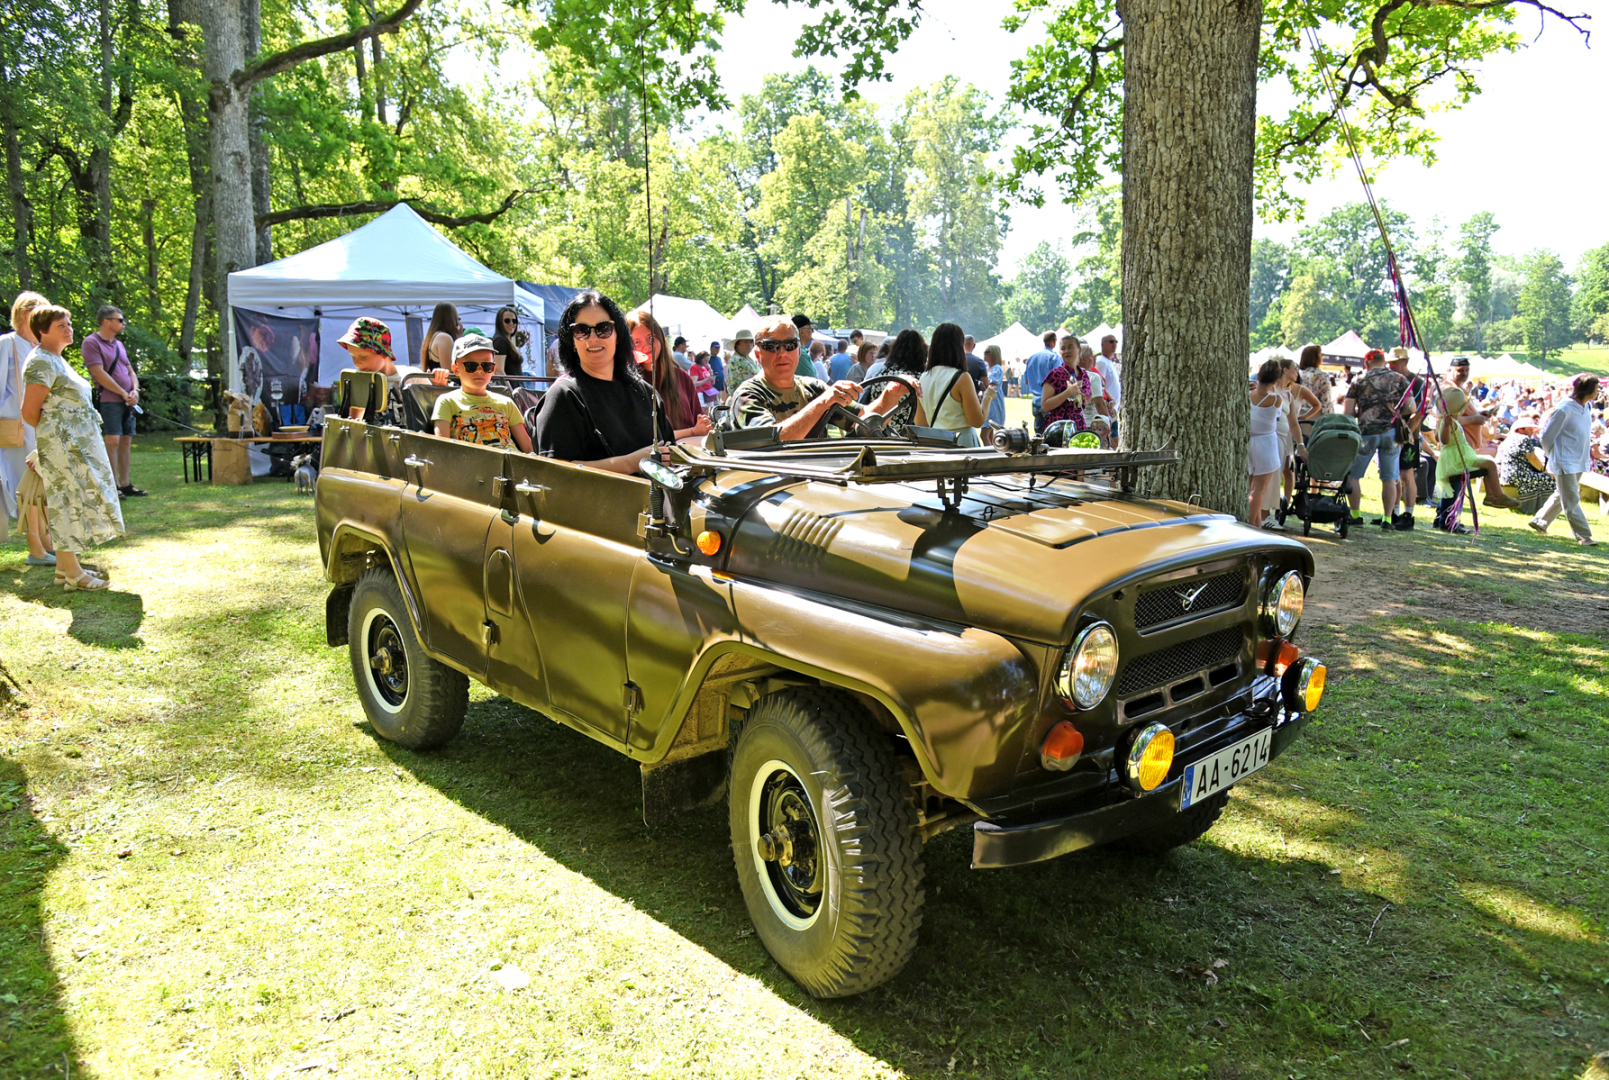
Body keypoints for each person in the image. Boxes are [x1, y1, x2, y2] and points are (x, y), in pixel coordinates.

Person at [19, 305, 123, 590]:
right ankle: (74, 574)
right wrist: (55, 440)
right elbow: (29, 411)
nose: (69, 329)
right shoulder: (41, 361)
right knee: (66, 504)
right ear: (43, 331)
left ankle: (65, 569)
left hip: (77, 445)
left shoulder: (57, 359)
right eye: (61, 326)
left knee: (72, 502)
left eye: (69, 324)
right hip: (62, 446)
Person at [532, 291, 674, 475]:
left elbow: (672, 457)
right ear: (572, 340)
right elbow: (555, 472)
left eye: (603, 328)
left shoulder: (647, 393)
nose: (593, 338)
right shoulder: (563, 396)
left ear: (618, 335)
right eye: (581, 330)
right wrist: (630, 463)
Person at [730, 314, 903, 440]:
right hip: (772, 479)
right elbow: (771, 439)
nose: (782, 353)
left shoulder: (814, 388)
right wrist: (823, 402)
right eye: (771, 346)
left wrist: (891, 396)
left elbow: (864, 420)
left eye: (790, 345)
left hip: (819, 475)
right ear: (758, 354)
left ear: (799, 350)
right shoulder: (747, 395)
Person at [1, 291, 51, 561]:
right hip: (17, 429)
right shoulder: (7, 344)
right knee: (26, 487)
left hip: (40, 427)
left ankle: (47, 542)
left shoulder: (41, 348)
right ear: (21, 315)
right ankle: (36, 549)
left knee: (42, 486)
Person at [1431, 382, 1519, 532]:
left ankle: (1490, 496)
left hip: (1459, 457)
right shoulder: (1447, 422)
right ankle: (1496, 496)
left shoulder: (1452, 421)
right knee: (1487, 466)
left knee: (1455, 490)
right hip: (1455, 460)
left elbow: (1440, 438)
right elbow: (1443, 440)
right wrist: (1445, 426)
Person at [429, 332, 534, 451]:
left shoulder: (506, 403)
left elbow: (528, 448)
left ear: (493, 369)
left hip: (512, 459)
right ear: (456, 369)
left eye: (486, 366)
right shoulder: (447, 402)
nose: (479, 371)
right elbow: (442, 449)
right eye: (471, 366)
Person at [1342, 348, 1410, 530]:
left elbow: (1348, 412)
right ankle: (1387, 519)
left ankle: (1356, 515)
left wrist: (1365, 412)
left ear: (1367, 363)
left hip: (1366, 432)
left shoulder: (1358, 380)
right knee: (1389, 478)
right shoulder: (1400, 379)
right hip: (1392, 433)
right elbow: (1411, 408)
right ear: (1384, 361)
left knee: (1354, 475)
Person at [1528, 374, 1600, 545]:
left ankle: (1540, 521)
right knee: (1572, 498)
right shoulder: (1564, 408)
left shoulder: (1587, 406)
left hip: (1580, 460)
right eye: (1596, 388)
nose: (1598, 392)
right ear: (1588, 390)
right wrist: (1551, 457)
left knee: (1564, 494)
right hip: (1564, 461)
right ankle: (1584, 535)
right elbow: (1547, 437)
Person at [82, 305, 144, 498]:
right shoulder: (91, 342)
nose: (124, 323)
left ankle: (125, 484)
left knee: (126, 440)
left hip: (128, 400)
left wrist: (134, 391)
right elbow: (98, 373)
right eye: (120, 320)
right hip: (109, 400)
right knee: (112, 440)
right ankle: (112, 484)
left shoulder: (119, 344)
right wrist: (122, 393)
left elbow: (130, 370)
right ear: (106, 321)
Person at [337, 316, 443, 425]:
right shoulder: (361, 382)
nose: (357, 363)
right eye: (353, 357)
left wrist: (439, 386)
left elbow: (435, 411)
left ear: (383, 352)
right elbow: (355, 424)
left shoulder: (411, 377)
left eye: (363, 357)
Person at [627, 311, 712, 442]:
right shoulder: (628, 384)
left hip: (692, 450)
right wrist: (692, 431)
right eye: (637, 342)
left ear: (660, 337)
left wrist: (704, 424)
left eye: (651, 337)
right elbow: (646, 437)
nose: (647, 345)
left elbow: (699, 420)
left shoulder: (682, 377)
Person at [914, 323, 991, 447]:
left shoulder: (924, 377)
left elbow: (921, 422)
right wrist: (988, 398)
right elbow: (977, 421)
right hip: (962, 443)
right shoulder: (962, 378)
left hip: (936, 443)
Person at [1248, 359, 1295, 528]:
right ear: (1275, 380)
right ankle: (1250, 523)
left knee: (1251, 488)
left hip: (1250, 442)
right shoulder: (1276, 400)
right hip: (1266, 444)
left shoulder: (1249, 395)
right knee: (1259, 490)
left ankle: (1257, 525)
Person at [1496, 414, 1555, 514]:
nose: (1532, 431)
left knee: (1539, 478)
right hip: (1518, 475)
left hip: (1510, 474)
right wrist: (1545, 471)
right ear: (1520, 429)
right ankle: (1543, 510)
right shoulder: (1524, 439)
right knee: (1550, 480)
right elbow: (1533, 458)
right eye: (1529, 429)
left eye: (1532, 429)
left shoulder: (1511, 438)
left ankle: (1532, 508)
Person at [1042, 334, 1092, 434]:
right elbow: (1045, 406)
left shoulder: (1084, 375)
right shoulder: (1055, 374)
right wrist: (1068, 393)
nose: (1066, 351)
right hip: (1060, 427)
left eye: (1070, 347)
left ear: (1079, 350)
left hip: (1079, 425)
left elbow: (1089, 395)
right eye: (1063, 348)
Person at [1021, 331, 1060, 434]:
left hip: (1036, 401)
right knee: (1050, 435)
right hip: (1050, 402)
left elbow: (1027, 380)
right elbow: (1058, 381)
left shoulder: (1032, 358)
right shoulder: (1054, 358)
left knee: (1038, 435)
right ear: (1054, 340)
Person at [420, 303, 461, 371]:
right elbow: (449, 371)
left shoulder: (433, 336)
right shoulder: (444, 338)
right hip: (444, 378)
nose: (458, 322)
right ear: (452, 319)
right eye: (458, 319)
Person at [491, 306, 527, 377]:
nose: (511, 323)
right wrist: (508, 385)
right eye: (507, 321)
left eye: (514, 321)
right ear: (500, 322)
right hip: (511, 383)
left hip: (515, 382)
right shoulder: (500, 340)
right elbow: (498, 370)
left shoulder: (506, 340)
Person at [1297, 344, 1332, 415]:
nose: (1322, 357)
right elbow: (1326, 402)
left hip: (1297, 414)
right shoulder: (1322, 376)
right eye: (1321, 355)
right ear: (1316, 358)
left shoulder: (1296, 374)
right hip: (1315, 415)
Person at [983, 344, 1007, 431]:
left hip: (993, 400)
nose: (984, 354)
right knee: (989, 434)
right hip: (987, 399)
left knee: (985, 433)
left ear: (994, 354)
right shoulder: (986, 367)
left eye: (987, 352)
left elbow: (992, 386)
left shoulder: (997, 368)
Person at [791, 314, 818, 379]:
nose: (812, 331)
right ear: (802, 332)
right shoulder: (801, 354)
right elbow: (813, 381)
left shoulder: (797, 351)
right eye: (811, 329)